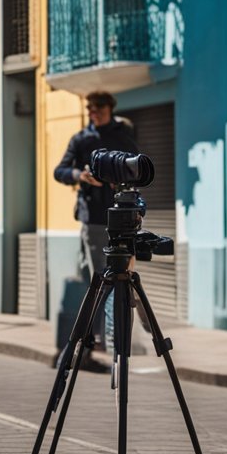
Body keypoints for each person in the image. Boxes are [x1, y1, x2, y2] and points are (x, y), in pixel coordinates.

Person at [53, 90, 138, 350]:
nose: (93, 113)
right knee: (100, 279)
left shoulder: (123, 135)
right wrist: (80, 175)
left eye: (98, 108)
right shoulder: (81, 139)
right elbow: (60, 171)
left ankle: (100, 336)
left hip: (121, 215)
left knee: (111, 278)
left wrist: (120, 179)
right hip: (94, 219)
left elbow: (137, 167)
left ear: (109, 108)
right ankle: (97, 337)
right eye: (90, 109)